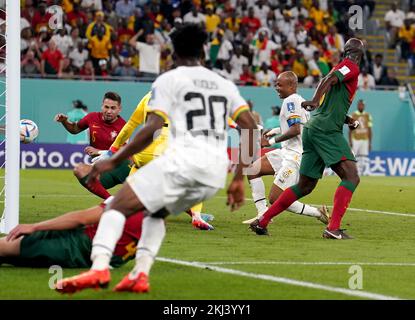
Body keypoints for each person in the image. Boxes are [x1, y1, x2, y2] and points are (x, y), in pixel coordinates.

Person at [55, 23, 258, 294]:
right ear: (203, 51)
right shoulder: (224, 85)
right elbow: (251, 128)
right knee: (155, 214)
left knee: (115, 206)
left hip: (182, 164)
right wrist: (238, 178)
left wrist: (113, 159)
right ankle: (140, 274)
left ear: (173, 52)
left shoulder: (168, 81)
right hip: (214, 174)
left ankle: (98, 269)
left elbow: (150, 129)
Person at [249, 38, 364, 240]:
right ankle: (333, 228)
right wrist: (313, 99)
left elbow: (327, 98)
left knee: (305, 186)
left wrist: (347, 120)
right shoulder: (350, 66)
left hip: (313, 129)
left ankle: (263, 220)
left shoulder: (340, 68)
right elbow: (326, 81)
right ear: (358, 53)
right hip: (326, 130)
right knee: (351, 176)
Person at [92, 91, 215, 230]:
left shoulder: (148, 96)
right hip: (165, 151)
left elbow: (131, 124)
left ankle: (114, 213)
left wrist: (112, 150)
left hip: (144, 151)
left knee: (131, 187)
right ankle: (196, 216)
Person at [243, 72, 329, 225]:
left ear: (292, 85)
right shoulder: (300, 101)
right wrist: (275, 130)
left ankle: (317, 212)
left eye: (280, 85)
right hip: (286, 152)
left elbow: (295, 129)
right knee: (252, 170)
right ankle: (262, 214)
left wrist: (270, 141)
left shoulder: (290, 101)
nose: (277, 88)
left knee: (276, 198)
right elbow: (299, 127)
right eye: (276, 84)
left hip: (294, 156)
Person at [0, 199, 143, 268]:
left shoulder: (129, 200)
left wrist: (34, 227)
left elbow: (80, 219)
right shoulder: (155, 220)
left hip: (70, 244)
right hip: (81, 262)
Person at [54, 92, 129, 200]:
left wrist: (99, 152)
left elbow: (124, 152)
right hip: (103, 170)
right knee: (79, 170)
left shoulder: (124, 126)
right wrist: (65, 121)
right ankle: (110, 201)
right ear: (102, 106)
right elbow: (75, 129)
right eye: (106, 107)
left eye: (113, 108)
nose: (108, 111)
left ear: (119, 109)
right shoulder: (92, 117)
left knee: (142, 197)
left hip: (122, 167)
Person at [349, 100, 372, 176]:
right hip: (355, 138)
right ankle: (352, 171)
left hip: (365, 139)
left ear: (364, 106)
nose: (361, 106)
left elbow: (369, 129)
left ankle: (360, 172)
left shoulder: (367, 115)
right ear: (357, 105)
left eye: (362, 105)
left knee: (363, 156)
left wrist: (370, 142)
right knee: (353, 155)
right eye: (360, 105)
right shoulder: (354, 115)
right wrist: (350, 141)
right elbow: (350, 129)